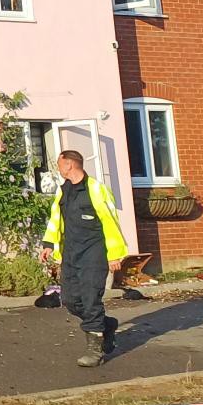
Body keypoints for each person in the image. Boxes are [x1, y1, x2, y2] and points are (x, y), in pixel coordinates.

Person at [39, 150, 130, 367]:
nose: (58, 169)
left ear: (69, 165)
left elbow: (111, 222)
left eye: (60, 165)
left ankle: (95, 351)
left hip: (94, 254)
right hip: (70, 254)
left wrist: (115, 255)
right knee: (70, 301)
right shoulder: (63, 192)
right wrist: (48, 244)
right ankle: (105, 325)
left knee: (90, 300)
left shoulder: (96, 190)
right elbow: (55, 219)